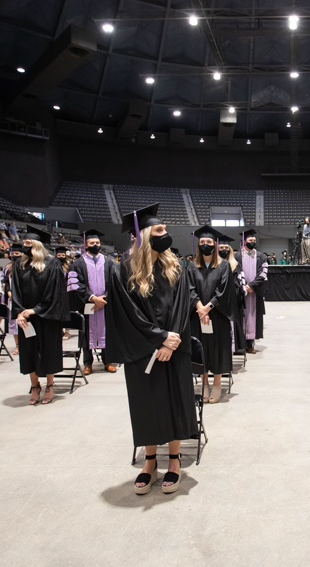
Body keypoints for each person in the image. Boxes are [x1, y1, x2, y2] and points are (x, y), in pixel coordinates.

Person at [105, 204, 196, 495]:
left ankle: (174, 461)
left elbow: (183, 307)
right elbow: (126, 314)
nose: (165, 234)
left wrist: (173, 339)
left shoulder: (176, 267)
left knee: (173, 403)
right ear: (143, 236)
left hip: (174, 348)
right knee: (146, 404)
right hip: (142, 350)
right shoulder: (122, 271)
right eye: (159, 230)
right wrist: (157, 339)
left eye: (165, 230)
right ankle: (149, 463)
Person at [11, 226, 69, 406]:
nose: (24, 246)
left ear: (36, 245)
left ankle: (50, 385)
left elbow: (55, 292)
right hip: (26, 318)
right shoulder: (19, 264)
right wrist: (21, 312)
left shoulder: (52, 264)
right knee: (28, 351)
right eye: (24, 243)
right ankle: (34, 386)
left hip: (47, 316)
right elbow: (16, 291)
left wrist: (36, 310)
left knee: (48, 351)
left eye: (28, 243)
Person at [187, 225, 237, 403]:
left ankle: (216, 384)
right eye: (202, 242)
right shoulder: (192, 267)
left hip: (217, 315)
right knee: (201, 349)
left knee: (217, 349)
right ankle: (204, 384)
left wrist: (208, 307)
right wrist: (200, 308)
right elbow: (190, 290)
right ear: (198, 245)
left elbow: (224, 291)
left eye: (209, 242)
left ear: (214, 244)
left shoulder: (224, 266)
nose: (205, 244)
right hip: (198, 316)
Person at [68, 230, 116, 375]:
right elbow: (75, 284)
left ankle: (108, 361)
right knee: (86, 332)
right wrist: (92, 298)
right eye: (92, 243)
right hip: (87, 304)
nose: (95, 245)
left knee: (107, 331)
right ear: (86, 245)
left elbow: (114, 283)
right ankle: (87, 363)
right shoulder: (78, 263)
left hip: (105, 304)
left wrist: (104, 299)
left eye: (97, 243)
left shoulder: (108, 262)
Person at [235, 229, 267, 354]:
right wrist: (243, 286)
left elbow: (263, 273)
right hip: (241, 293)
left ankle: (250, 344)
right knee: (241, 316)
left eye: (254, 240)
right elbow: (236, 272)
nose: (253, 242)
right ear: (244, 241)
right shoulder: (237, 256)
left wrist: (252, 285)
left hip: (255, 292)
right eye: (250, 240)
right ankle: (240, 344)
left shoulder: (261, 256)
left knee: (252, 317)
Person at [2, 243, 23, 355]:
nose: (14, 255)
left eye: (17, 253)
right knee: (14, 323)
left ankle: (25, 344)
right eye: (12, 253)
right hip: (12, 299)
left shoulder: (25, 266)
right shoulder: (8, 268)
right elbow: (5, 282)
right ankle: (17, 345)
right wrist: (9, 293)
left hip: (23, 299)